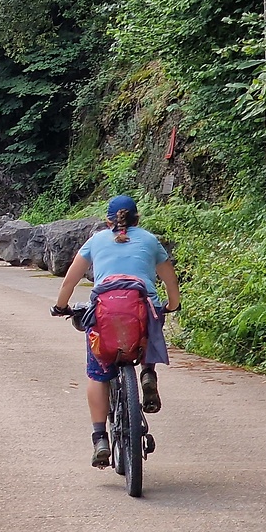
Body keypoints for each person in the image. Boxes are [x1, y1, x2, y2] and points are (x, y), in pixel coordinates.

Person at [53, 195, 181, 469]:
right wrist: (172, 304)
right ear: (137, 218)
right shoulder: (149, 240)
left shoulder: (96, 241)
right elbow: (170, 279)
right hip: (141, 308)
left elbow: (70, 280)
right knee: (151, 323)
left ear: (108, 220)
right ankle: (148, 372)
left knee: (98, 373)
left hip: (105, 315)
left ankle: (100, 438)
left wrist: (61, 306)